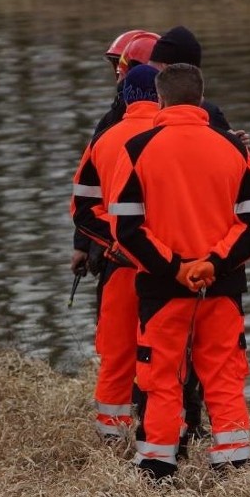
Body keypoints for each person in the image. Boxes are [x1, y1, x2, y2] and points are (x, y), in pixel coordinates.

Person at [108, 63, 250, 481]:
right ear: (201, 97)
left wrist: (176, 268)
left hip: (164, 288)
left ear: (159, 99)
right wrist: (212, 263)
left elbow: (125, 227)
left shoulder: (138, 148)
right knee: (224, 371)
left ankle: (158, 463)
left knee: (160, 376)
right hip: (222, 283)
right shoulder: (233, 148)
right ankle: (234, 457)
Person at [71, 64, 160, 440]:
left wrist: (118, 240)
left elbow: (81, 207)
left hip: (120, 266)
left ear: (125, 96)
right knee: (166, 355)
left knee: (116, 356)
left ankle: (111, 435)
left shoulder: (104, 139)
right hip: (168, 268)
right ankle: (166, 434)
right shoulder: (177, 134)